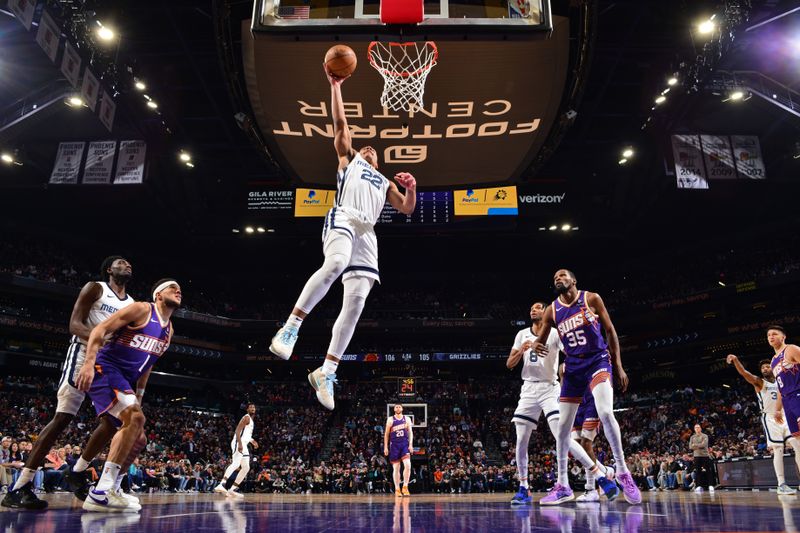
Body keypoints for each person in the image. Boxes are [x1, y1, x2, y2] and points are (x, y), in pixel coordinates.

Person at [269, 63, 417, 411]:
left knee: (356, 302)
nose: (368, 149)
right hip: (344, 216)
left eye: (373, 151)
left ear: (378, 161)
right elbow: (340, 125)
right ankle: (290, 327)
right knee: (334, 262)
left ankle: (327, 371)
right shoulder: (349, 161)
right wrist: (336, 87)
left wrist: (412, 188)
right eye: (364, 147)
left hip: (369, 233)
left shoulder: (386, 182)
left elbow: (407, 209)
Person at [2, 257, 135, 510]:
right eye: (120, 262)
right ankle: (20, 487)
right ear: (109, 269)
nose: (127, 265)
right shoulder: (95, 288)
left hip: (107, 364)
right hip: (83, 355)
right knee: (62, 419)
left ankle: (77, 471)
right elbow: (74, 325)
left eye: (129, 263)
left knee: (115, 420)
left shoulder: (130, 303)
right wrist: (100, 342)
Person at [533, 269, 641, 505]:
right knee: (562, 429)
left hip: (597, 360)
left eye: (562, 275)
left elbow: (610, 331)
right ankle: (563, 486)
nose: (558, 279)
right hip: (573, 368)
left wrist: (619, 366)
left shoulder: (591, 298)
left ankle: (622, 471)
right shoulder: (552, 310)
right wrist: (535, 346)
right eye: (554, 278)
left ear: (573, 280)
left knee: (605, 411)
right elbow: (539, 340)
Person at [77, 278, 181, 512]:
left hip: (124, 380)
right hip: (105, 368)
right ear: (157, 295)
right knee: (134, 420)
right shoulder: (142, 309)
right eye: (172, 287)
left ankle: (113, 487)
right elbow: (100, 330)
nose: (177, 291)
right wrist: (87, 363)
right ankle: (99, 492)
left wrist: (139, 397)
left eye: (179, 289)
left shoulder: (169, 330)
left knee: (140, 438)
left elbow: (148, 365)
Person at [508, 303, 618, 506]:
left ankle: (600, 476)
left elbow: (572, 352)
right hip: (528, 390)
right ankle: (523, 487)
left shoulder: (554, 333)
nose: (533, 309)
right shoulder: (522, 334)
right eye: (531, 307)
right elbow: (509, 364)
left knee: (563, 435)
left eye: (538, 307)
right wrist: (521, 350)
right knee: (521, 439)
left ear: (546, 313)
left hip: (550, 388)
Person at [727, 352, 800, 494]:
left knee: (798, 446)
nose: (765, 369)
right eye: (763, 368)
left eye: (767, 366)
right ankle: (781, 484)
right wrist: (736, 360)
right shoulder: (760, 382)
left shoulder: (782, 382)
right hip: (771, 418)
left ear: (773, 368)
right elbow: (744, 373)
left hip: (786, 416)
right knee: (778, 450)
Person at [214, 403, 259, 499]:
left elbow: (245, 434)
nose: (252, 408)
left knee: (246, 467)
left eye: (253, 407)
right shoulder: (246, 418)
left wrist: (252, 441)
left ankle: (232, 490)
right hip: (238, 442)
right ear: (247, 410)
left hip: (244, 444)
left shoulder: (251, 420)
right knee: (236, 464)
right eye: (250, 407)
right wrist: (240, 443)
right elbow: (238, 431)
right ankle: (221, 484)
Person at [384, 404, 414, 497]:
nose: (398, 408)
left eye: (399, 407)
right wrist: (385, 447)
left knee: (408, 465)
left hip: (404, 444)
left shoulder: (407, 419)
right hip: (394, 445)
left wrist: (411, 444)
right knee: (396, 468)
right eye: (396, 407)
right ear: (394, 409)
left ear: (402, 408)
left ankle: (405, 487)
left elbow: (410, 432)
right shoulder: (390, 419)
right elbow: (386, 434)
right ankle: (397, 489)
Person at [689, 424, 713, 493]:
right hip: (696, 456)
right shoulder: (692, 437)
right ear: (694, 429)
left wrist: (695, 445)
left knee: (708, 470)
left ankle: (710, 485)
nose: (697, 429)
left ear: (701, 429)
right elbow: (690, 447)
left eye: (698, 427)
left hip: (705, 455)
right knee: (698, 471)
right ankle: (699, 486)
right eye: (696, 427)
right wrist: (698, 445)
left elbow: (704, 445)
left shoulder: (705, 436)